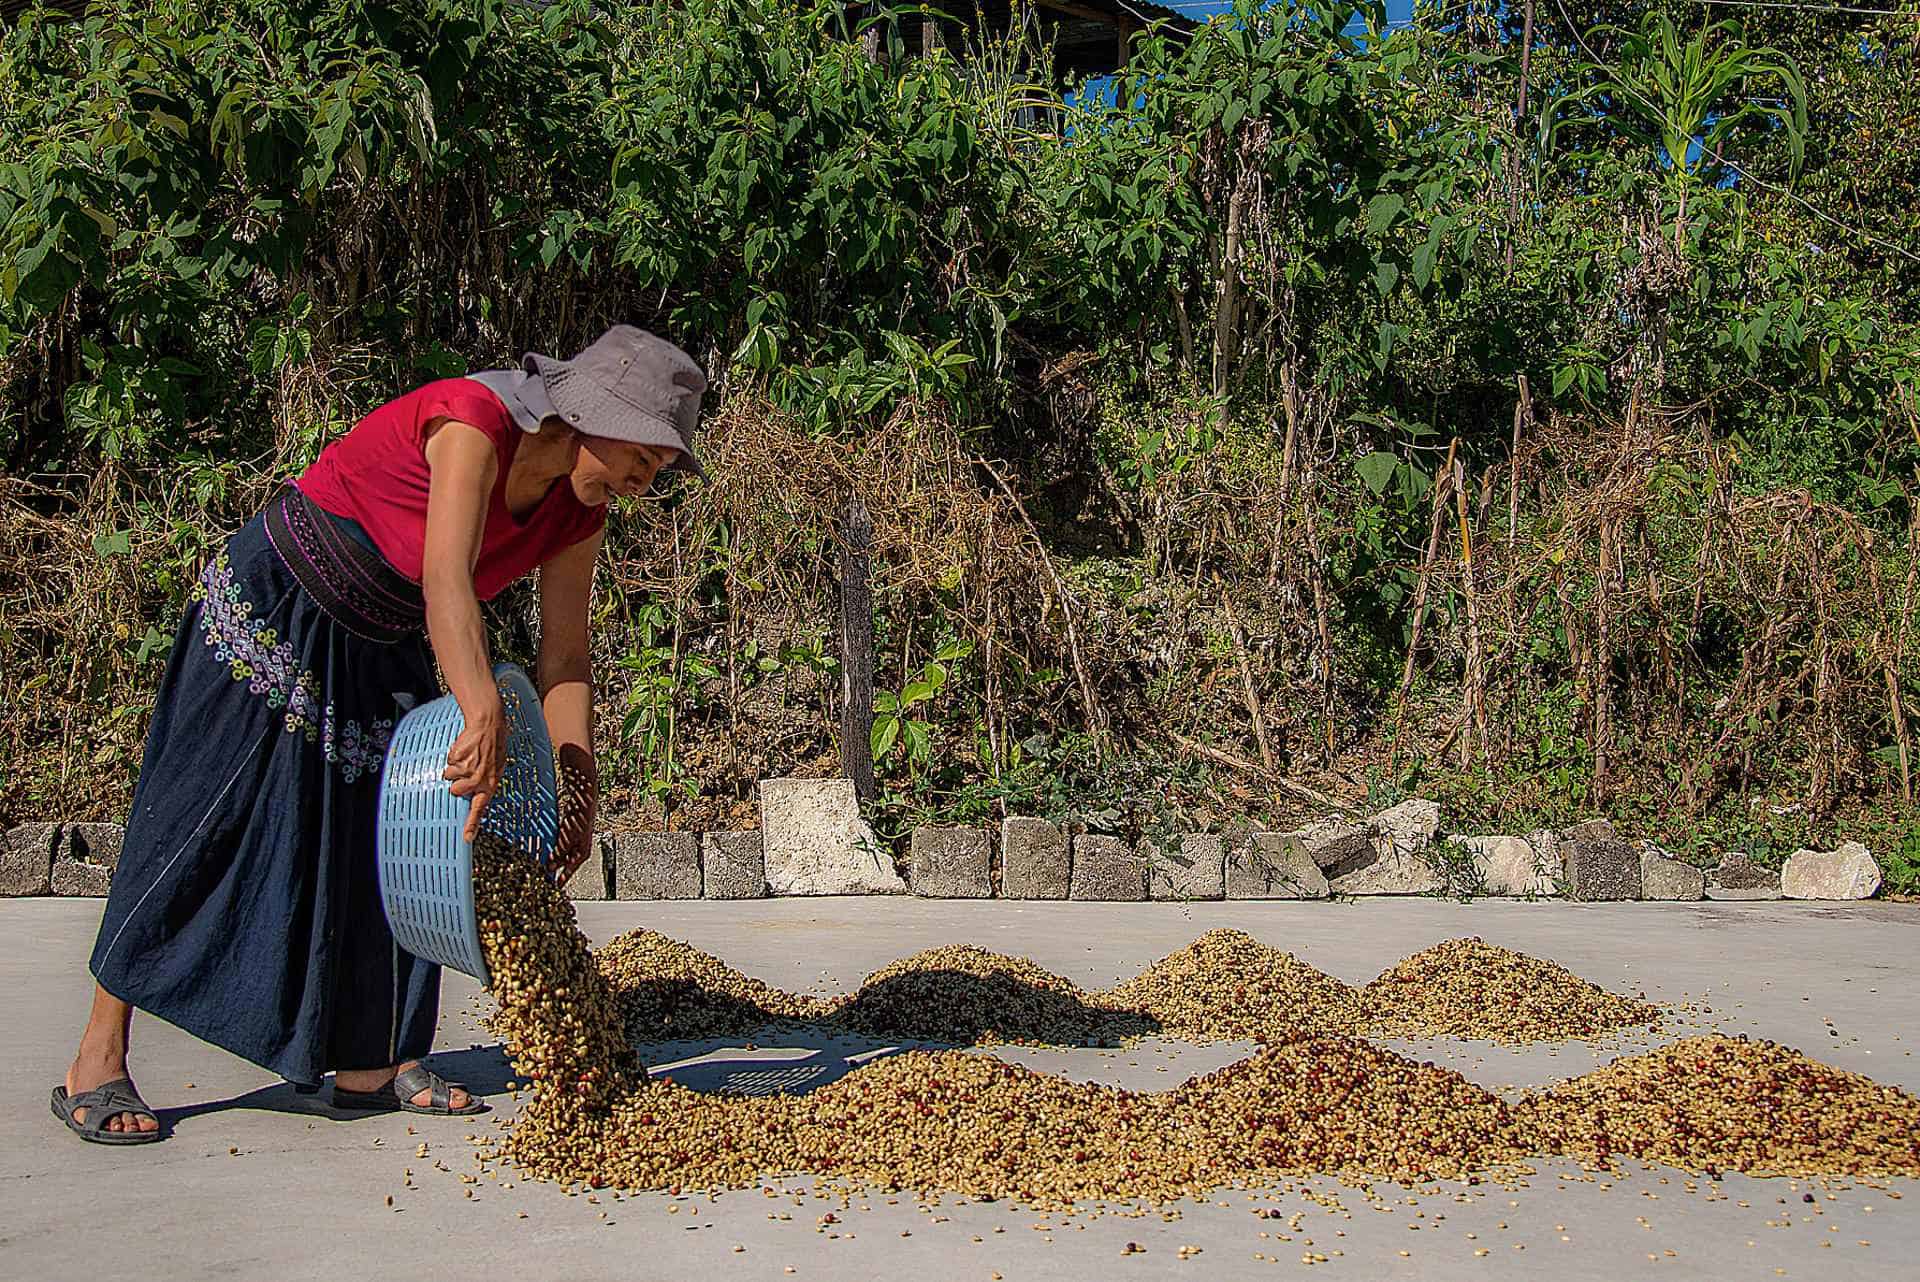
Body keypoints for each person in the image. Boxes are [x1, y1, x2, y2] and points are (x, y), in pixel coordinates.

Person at [50, 325, 707, 1143]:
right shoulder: (473, 422)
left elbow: (565, 656)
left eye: (657, 471)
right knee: (198, 820)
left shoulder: (581, 512)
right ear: (592, 414)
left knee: (390, 845)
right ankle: (96, 1057)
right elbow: (446, 579)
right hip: (286, 595)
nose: (643, 483)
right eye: (642, 458)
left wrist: (579, 782)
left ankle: (374, 1060)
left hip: (385, 632)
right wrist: (481, 709)